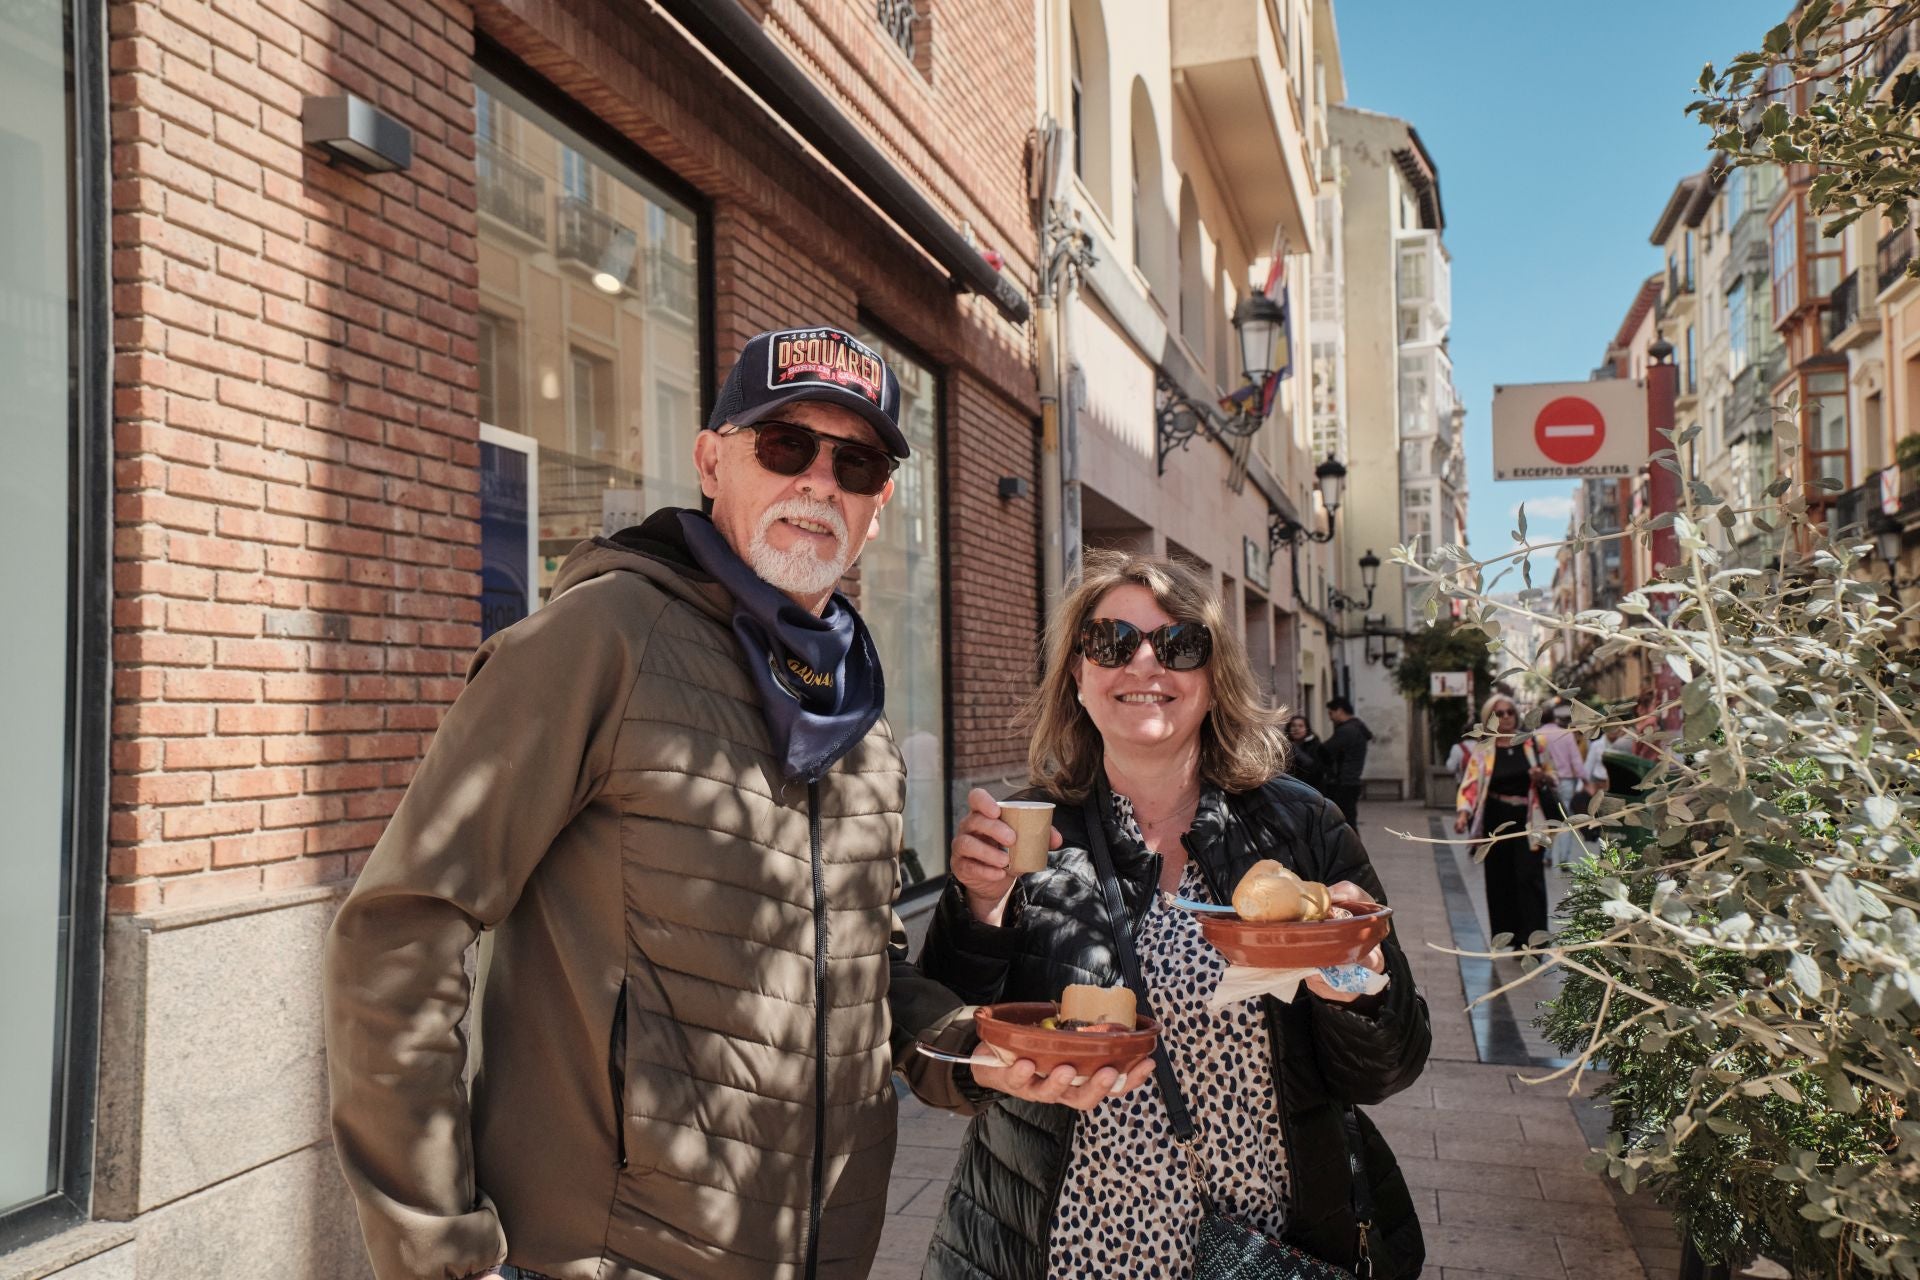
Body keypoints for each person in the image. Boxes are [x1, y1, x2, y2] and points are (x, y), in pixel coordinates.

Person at [323, 326, 1076, 1280]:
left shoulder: (854, 709)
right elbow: (400, 930)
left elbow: (861, 978)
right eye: (786, 445)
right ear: (712, 461)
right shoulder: (600, 639)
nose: (819, 483)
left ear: (878, 505)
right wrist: (437, 1249)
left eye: (857, 462)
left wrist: (981, 1052)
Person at [918, 552, 1430, 1280]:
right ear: (1077, 676)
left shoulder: (1300, 829)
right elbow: (940, 1064)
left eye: (1180, 644)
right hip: (1060, 1250)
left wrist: (1356, 987)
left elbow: (1389, 1065)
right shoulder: (1027, 835)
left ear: (1213, 678)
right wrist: (979, 907)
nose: (1145, 664)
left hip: (1262, 1246)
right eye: (1112, 643)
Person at [1454, 694, 1556, 948]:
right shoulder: (1484, 749)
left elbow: (1553, 777)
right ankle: (1506, 936)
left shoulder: (1534, 744)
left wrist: (1541, 776)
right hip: (1495, 821)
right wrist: (1463, 813)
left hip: (1529, 820)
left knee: (1529, 878)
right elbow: (1470, 785)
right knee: (1500, 879)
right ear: (1491, 718)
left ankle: (1533, 939)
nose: (1507, 717)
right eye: (1499, 713)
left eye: (1510, 712)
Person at [1533, 700, 1588, 869]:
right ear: (1554, 718)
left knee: (1546, 818)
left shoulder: (1536, 736)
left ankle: (1546, 855)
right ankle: (1564, 859)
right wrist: (1585, 779)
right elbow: (1576, 760)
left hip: (1544, 782)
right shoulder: (1566, 734)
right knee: (1566, 820)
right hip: (1566, 781)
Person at [1323, 696, 1373, 828]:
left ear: (1339, 711)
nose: (1330, 718)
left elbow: (1325, 750)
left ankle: (1352, 848)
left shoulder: (1347, 730)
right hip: (1351, 781)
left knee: (1345, 823)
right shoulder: (1356, 728)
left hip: (1343, 782)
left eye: (1331, 713)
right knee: (1348, 821)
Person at [1284, 712, 1327, 791]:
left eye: (1300, 726)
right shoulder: (1284, 745)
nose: (1296, 729)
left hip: (1311, 788)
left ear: (1307, 728)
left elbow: (1312, 766)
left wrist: (1295, 748)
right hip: (1289, 788)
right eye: (1293, 726)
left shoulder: (1315, 744)